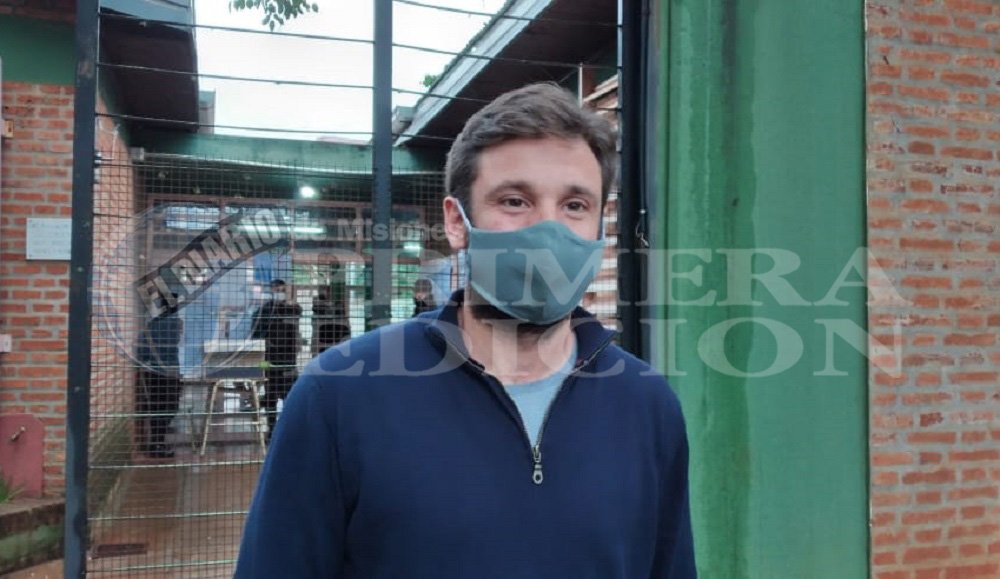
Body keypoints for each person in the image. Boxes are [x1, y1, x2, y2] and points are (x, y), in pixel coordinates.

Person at [236, 83, 696, 577]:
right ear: (457, 223)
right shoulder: (340, 395)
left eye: (575, 206)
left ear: (601, 229)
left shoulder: (647, 405)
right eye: (515, 201)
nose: (549, 231)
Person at [251, 279, 302, 441]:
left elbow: (297, 313)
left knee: (288, 395)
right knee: (272, 394)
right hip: (269, 361)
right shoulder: (264, 311)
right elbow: (256, 336)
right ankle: (273, 428)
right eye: (277, 290)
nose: (280, 294)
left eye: (282, 291)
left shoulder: (291, 309)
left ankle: (286, 428)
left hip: (287, 361)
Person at [136, 295, 183, 459]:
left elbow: (142, 350)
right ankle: (157, 444)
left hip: (154, 371)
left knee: (159, 407)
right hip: (168, 371)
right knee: (168, 407)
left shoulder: (153, 324)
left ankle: (157, 441)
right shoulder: (173, 323)